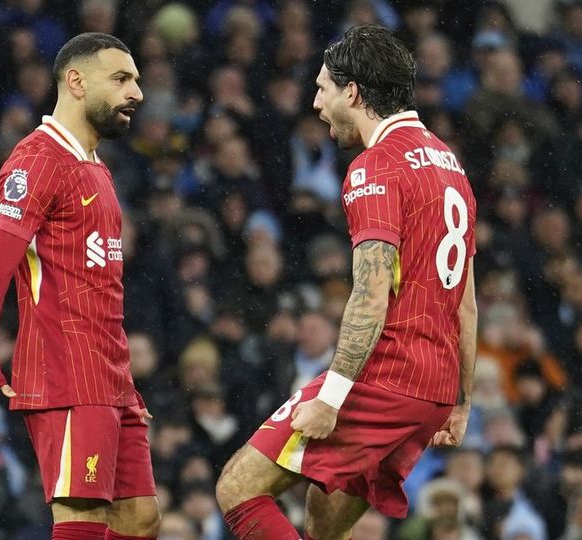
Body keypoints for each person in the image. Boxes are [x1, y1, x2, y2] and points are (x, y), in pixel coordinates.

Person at [216, 24, 478, 540]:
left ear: (352, 92)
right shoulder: (452, 167)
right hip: (433, 388)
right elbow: (465, 304)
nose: (316, 104)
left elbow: (369, 294)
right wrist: (461, 399)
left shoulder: (375, 166)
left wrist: (331, 397)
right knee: (323, 526)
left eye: (322, 89)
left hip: (387, 375)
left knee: (238, 490)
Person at [0, 32, 160, 540]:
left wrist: (122, 381)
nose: (136, 93)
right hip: (66, 374)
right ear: (76, 81)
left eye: (136, 80)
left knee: (140, 521)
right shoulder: (36, 162)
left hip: (110, 376)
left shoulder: (95, 167)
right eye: (121, 79)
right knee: (83, 519)